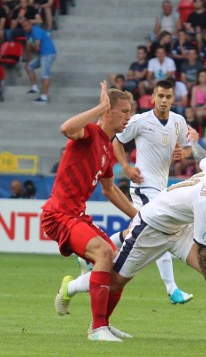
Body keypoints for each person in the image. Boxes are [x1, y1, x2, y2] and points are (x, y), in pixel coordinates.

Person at [64, 127, 206, 344]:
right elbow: (201, 251)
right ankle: (70, 287)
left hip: (179, 228)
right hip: (151, 228)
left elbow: (203, 157)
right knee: (115, 281)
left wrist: (193, 143)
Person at [79, 80, 195, 305]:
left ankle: (89, 257)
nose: (163, 101)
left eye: (168, 97)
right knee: (162, 229)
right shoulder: (141, 120)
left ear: (173, 99)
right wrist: (126, 167)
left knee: (136, 232)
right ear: (153, 96)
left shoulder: (178, 122)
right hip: (143, 186)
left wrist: (186, 153)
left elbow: (188, 147)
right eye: (160, 96)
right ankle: (172, 289)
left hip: (162, 187)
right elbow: (117, 142)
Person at [45, 83, 137, 342]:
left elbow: (110, 190)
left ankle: (101, 321)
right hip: (59, 214)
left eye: (130, 112)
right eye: (124, 111)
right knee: (104, 252)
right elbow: (66, 128)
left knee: (117, 263)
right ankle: (97, 330)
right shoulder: (91, 133)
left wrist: (139, 216)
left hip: (76, 215)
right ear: (108, 112)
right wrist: (99, 107)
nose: (128, 117)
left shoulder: (108, 147)